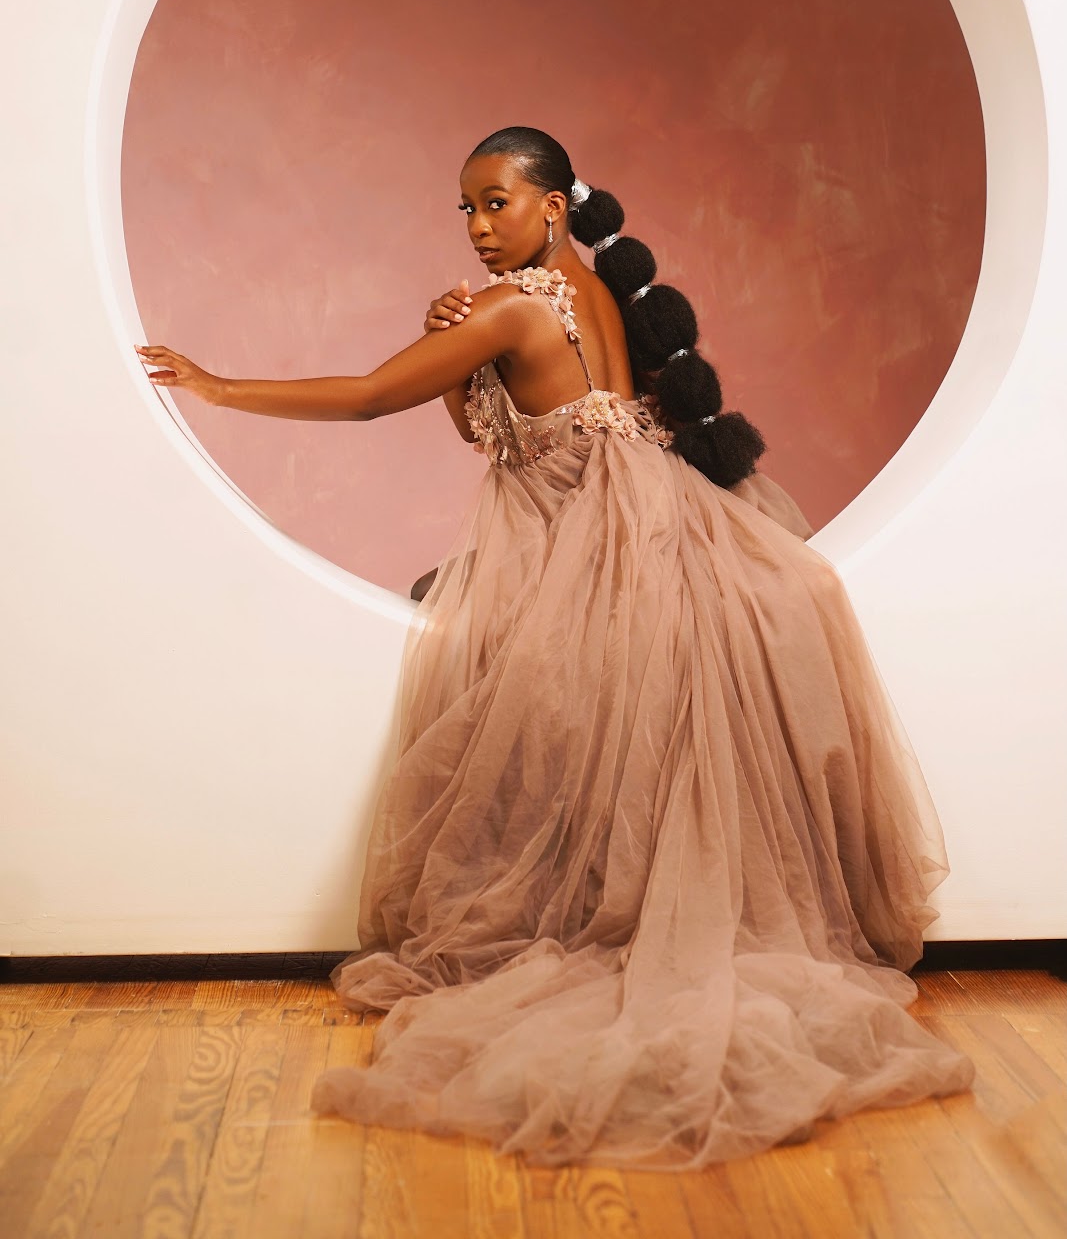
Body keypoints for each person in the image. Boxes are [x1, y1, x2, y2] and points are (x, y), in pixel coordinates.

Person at [136, 124, 975, 1169]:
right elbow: (479, 427)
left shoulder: (513, 305)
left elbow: (368, 398)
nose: (479, 226)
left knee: (523, 698)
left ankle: (597, 922)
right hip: (656, 523)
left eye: (496, 202)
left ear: (552, 205)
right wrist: (451, 351)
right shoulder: (598, 291)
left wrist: (218, 387)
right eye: (466, 207)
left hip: (592, 542)